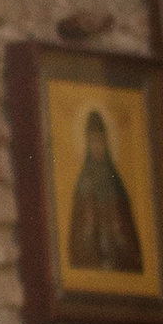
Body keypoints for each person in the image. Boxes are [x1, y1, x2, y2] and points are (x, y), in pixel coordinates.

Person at [63, 107, 144, 276]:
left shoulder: (115, 178)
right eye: (93, 140)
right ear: (87, 143)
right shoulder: (84, 179)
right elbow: (80, 228)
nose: (97, 145)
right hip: (92, 250)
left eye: (101, 140)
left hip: (117, 251)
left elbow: (126, 221)